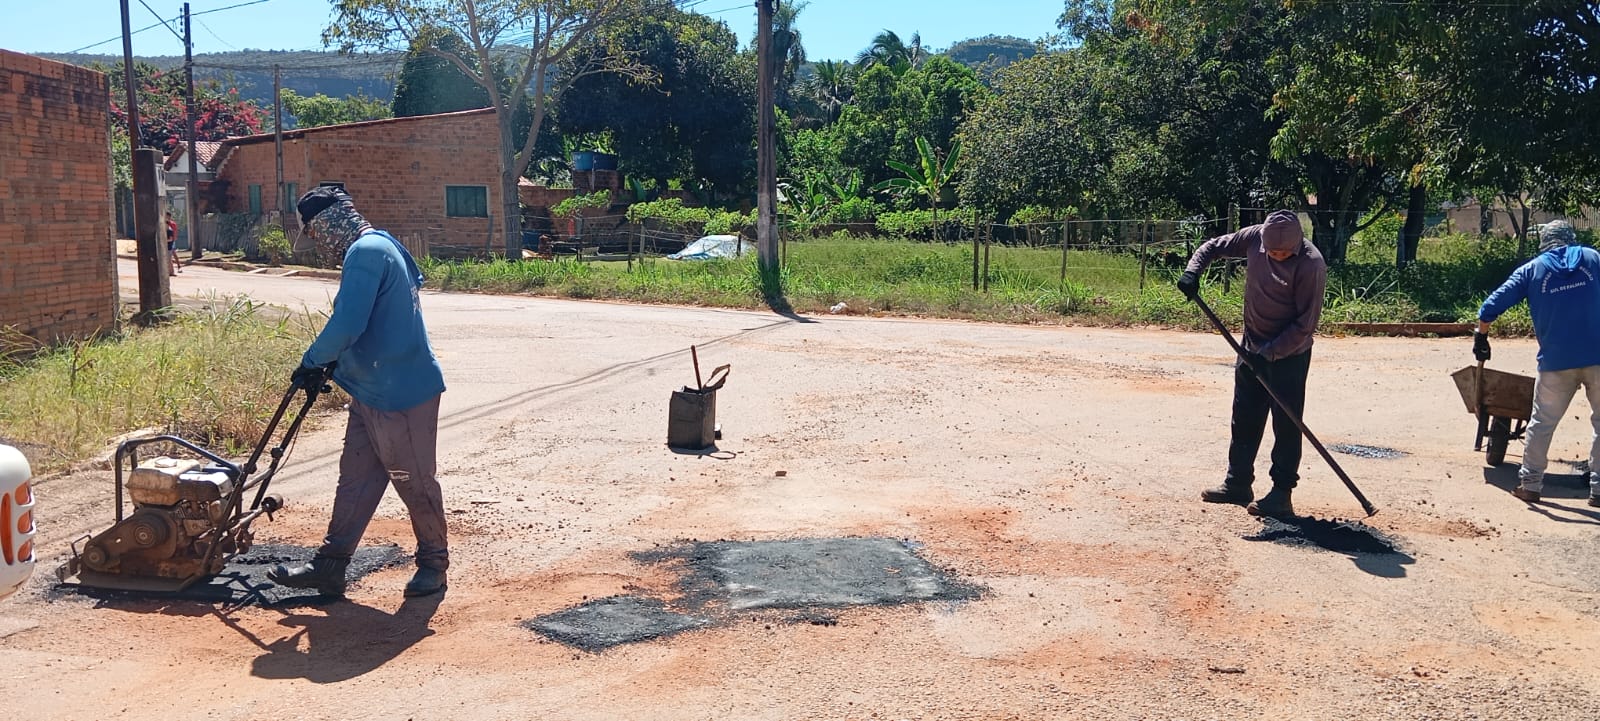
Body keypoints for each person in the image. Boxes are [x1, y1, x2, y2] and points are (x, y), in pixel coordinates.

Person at [268, 187, 450, 597]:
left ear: (327, 226)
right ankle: (330, 566)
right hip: (371, 387)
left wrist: (313, 361)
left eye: (315, 235)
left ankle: (434, 565)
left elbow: (348, 323)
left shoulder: (364, 253)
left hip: (402, 393)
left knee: (413, 480)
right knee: (355, 480)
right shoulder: (383, 243)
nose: (318, 246)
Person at [1177, 210, 1327, 518]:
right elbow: (1212, 247)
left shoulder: (1311, 264)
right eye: (1272, 252)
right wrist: (1193, 272)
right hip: (1251, 347)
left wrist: (1270, 354)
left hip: (1290, 355)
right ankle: (1238, 484)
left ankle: (1281, 495)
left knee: (1287, 424)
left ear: (1298, 244)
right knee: (1244, 416)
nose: (1278, 256)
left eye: (1284, 253)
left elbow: (1304, 326)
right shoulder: (1253, 237)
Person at [1474, 220, 1600, 507]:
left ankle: (1530, 485)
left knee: (1542, 422)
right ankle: (1599, 490)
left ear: (1545, 243)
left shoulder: (1533, 269)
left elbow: (1491, 306)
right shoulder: (1593, 259)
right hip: (1598, 356)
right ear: (1571, 239)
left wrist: (1481, 335)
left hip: (1556, 361)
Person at [164, 211, 181, 276]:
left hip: (171, 241)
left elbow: (174, 232)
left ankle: (177, 267)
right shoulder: (164, 223)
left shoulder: (172, 224)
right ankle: (171, 270)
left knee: (172, 255)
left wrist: (173, 240)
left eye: (166, 216)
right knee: (170, 256)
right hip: (168, 242)